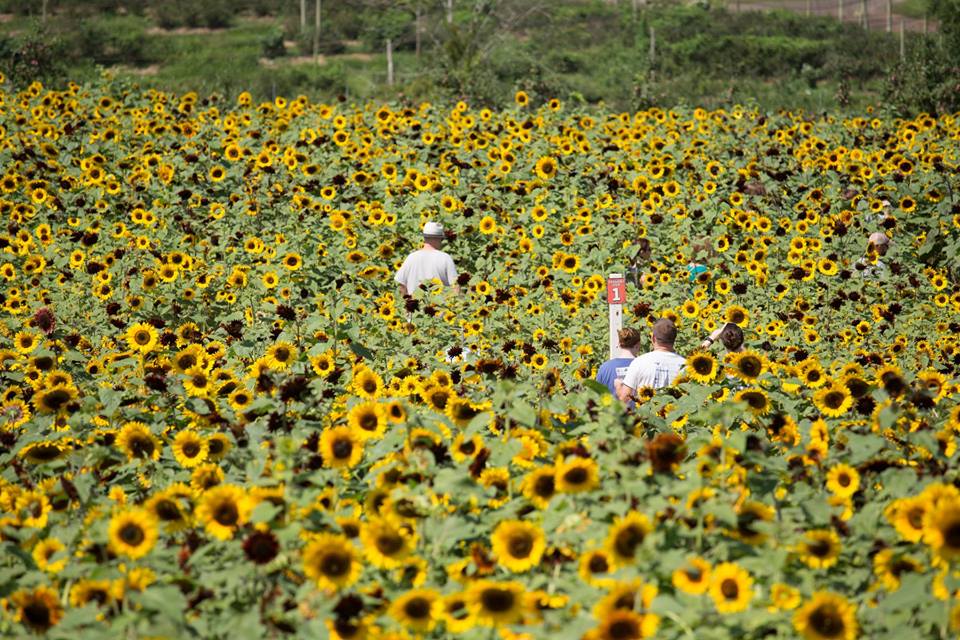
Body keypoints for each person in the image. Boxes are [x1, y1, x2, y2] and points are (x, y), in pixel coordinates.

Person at [616, 318, 686, 403]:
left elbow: (625, 398)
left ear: (653, 338)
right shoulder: (686, 365)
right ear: (674, 339)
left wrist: (618, 386)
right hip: (677, 415)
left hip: (646, 415)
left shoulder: (639, 362)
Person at [395, 221, 460, 296]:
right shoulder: (445, 258)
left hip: (415, 304)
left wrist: (406, 302)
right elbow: (455, 287)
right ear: (439, 238)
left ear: (424, 237)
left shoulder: (411, 257)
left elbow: (401, 285)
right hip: (439, 305)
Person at [596, 328, 644, 396]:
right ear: (638, 344)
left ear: (619, 344)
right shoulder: (644, 366)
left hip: (613, 406)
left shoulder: (605, 368)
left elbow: (596, 396)